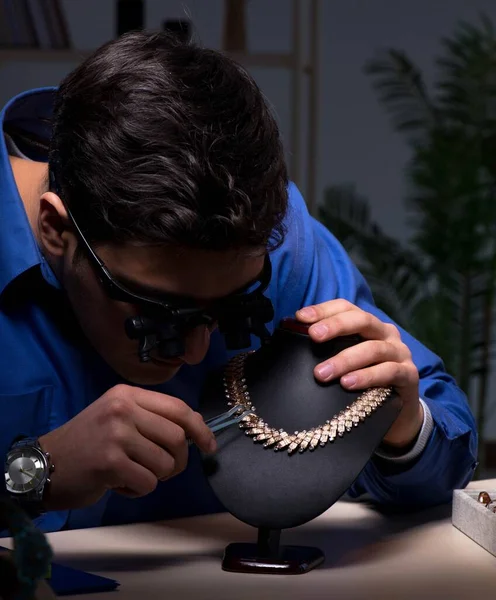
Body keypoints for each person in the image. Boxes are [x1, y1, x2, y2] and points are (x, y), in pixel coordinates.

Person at [0, 31, 477, 534]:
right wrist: (33, 474)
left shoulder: (274, 244)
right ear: (56, 230)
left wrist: (401, 429)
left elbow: (442, 460)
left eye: (233, 310)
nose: (195, 350)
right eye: (160, 314)